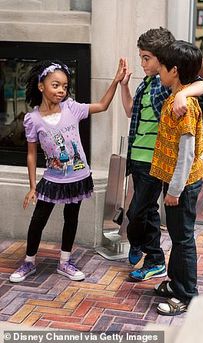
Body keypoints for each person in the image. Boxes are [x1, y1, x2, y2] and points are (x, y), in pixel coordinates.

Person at [9, 59, 126, 283]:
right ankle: (29, 262)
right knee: (38, 221)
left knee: (71, 219)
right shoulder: (32, 120)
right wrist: (33, 186)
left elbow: (101, 105)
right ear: (41, 86)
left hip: (78, 177)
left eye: (64, 86)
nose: (61, 90)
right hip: (52, 179)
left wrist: (116, 80)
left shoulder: (71, 108)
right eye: (55, 85)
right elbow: (32, 154)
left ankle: (65, 262)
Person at [120, 28, 203, 281]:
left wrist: (183, 92)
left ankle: (153, 256)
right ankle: (151, 255)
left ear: (164, 61)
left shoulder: (166, 87)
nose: (142, 63)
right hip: (137, 156)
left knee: (138, 212)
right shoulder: (146, 83)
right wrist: (124, 86)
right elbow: (130, 112)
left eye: (146, 58)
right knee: (144, 212)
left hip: (155, 162)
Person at [150, 40, 203, 315]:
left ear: (173, 70)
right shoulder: (178, 96)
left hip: (181, 184)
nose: (158, 72)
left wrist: (174, 189)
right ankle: (176, 283)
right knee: (176, 234)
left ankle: (187, 295)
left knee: (183, 238)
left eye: (160, 68)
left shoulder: (183, 106)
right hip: (176, 182)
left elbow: (185, 154)